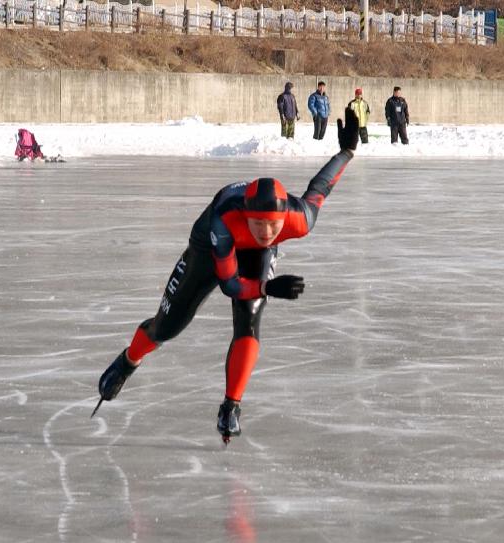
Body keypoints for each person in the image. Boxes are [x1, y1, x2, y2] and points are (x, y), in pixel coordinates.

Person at [93, 108, 361, 444]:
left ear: (284, 220)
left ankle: (231, 405)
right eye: (259, 223)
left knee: (249, 322)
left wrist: (347, 151)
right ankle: (128, 360)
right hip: (209, 250)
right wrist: (267, 286)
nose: (266, 232)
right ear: (246, 215)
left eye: (273, 226)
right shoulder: (225, 219)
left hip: (252, 256)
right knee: (168, 327)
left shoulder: (299, 219)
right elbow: (230, 284)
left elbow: (321, 186)